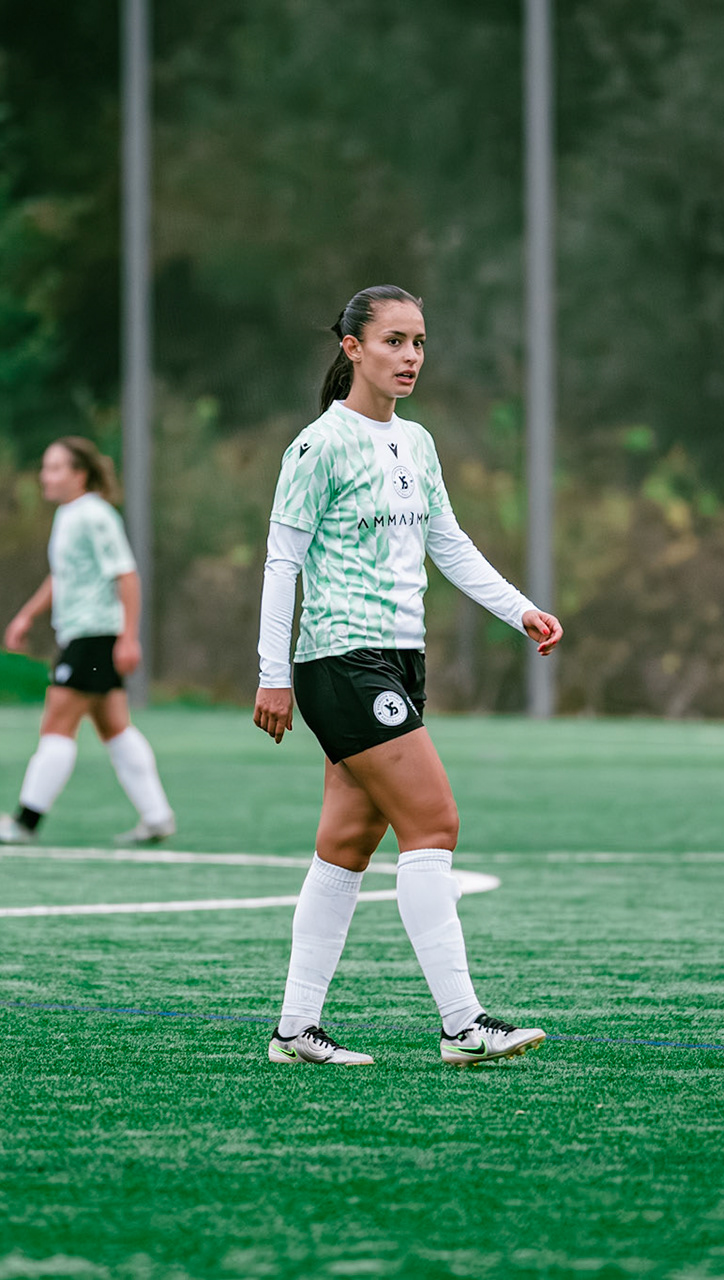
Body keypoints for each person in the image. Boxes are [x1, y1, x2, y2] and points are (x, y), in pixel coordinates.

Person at [253, 285, 563, 1066]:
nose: (411, 356)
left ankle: (295, 1030)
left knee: (346, 845)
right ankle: (464, 1025)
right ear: (353, 347)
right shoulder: (318, 447)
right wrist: (271, 675)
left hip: (398, 660)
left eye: (419, 342)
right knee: (434, 822)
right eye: (394, 341)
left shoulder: (417, 443)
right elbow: (282, 563)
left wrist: (520, 610)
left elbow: (447, 541)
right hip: (341, 659)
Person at [0, 437, 175, 846]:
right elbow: (62, 575)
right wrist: (27, 614)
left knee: (57, 726)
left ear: (79, 474)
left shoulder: (95, 516)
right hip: (86, 636)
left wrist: (128, 638)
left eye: (55, 468)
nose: (45, 476)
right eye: (45, 467)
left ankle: (24, 823)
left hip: (93, 637)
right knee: (114, 728)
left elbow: (127, 576)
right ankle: (157, 818)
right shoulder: (69, 515)